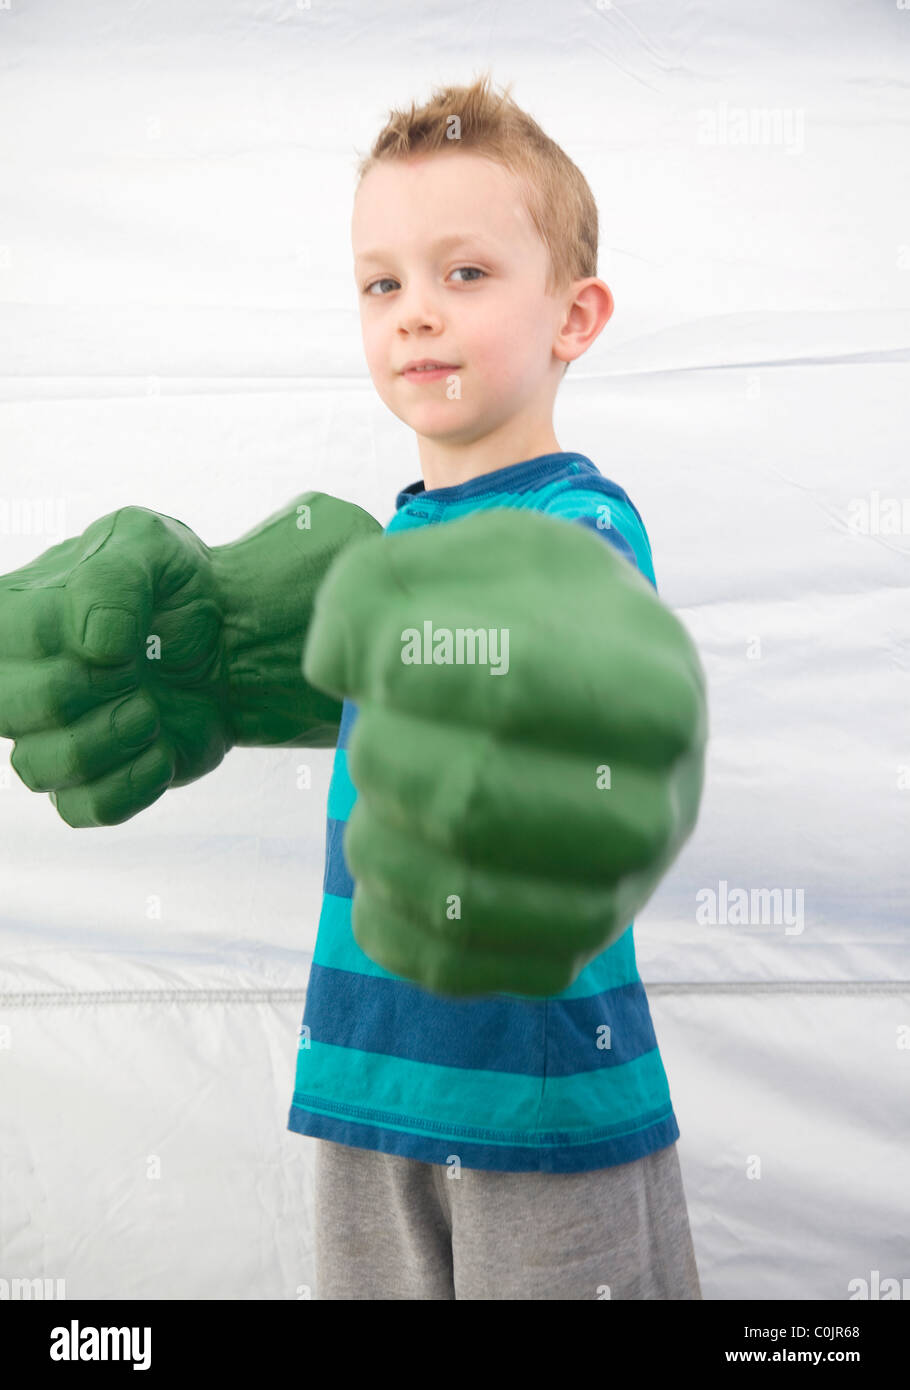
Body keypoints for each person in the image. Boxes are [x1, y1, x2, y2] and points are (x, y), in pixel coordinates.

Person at [0, 73, 708, 1300]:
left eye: (465, 274)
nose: (415, 314)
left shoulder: (581, 521)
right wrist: (220, 645)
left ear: (574, 316)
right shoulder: (401, 546)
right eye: (382, 283)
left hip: (537, 1090)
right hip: (371, 1075)